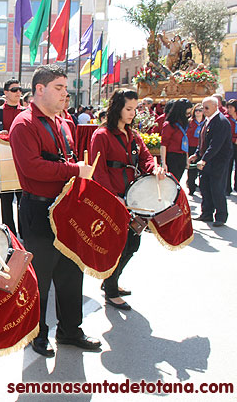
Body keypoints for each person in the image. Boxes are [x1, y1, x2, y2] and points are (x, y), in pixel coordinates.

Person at [9, 65, 100, 357]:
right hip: (38, 209)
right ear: (39, 89)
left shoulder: (64, 122)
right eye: (59, 88)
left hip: (67, 209)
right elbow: (32, 168)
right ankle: (37, 335)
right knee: (40, 277)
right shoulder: (24, 124)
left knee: (72, 271)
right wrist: (75, 170)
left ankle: (70, 330)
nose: (65, 94)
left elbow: (68, 158)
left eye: (65, 88)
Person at [90, 89, 164, 310]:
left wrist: (155, 168)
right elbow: (99, 171)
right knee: (119, 245)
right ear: (117, 108)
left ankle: (111, 281)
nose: (133, 113)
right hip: (115, 200)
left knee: (133, 243)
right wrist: (113, 197)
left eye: (134, 109)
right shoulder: (102, 135)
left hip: (134, 198)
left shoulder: (133, 135)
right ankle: (111, 289)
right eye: (128, 109)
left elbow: (146, 158)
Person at [0, 79, 24, 235]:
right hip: (5, 163)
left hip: (23, 163)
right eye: (14, 90)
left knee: (23, 201)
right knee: (6, 201)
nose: (18, 93)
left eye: (19, 89)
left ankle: (24, 232)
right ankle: (10, 234)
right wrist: (0, 136)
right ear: (6, 93)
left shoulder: (27, 112)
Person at [188, 97, 232, 227]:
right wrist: (196, 155)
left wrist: (204, 159)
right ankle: (207, 213)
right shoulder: (207, 121)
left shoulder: (221, 122)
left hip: (218, 161)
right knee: (205, 187)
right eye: (202, 108)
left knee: (217, 188)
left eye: (206, 108)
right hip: (207, 160)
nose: (204, 110)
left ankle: (221, 216)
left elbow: (215, 145)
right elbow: (203, 142)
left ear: (215, 106)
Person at [160, 99, 192, 183]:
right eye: (187, 113)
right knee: (171, 183)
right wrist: (163, 162)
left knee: (177, 182)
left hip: (182, 156)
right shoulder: (169, 125)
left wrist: (186, 158)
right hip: (172, 157)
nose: (188, 116)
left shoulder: (185, 124)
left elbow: (185, 142)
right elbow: (164, 144)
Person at [225, 99, 237, 196]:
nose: (229, 109)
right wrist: (233, 140)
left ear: (236, 108)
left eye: (231, 107)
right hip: (230, 143)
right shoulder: (226, 119)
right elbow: (224, 134)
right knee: (228, 166)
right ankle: (227, 188)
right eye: (227, 107)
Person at [186, 103, 205, 196]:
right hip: (191, 147)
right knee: (192, 169)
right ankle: (191, 187)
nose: (198, 112)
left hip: (202, 147)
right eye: (196, 110)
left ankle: (203, 188)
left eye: (200, 110)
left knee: (202, 169)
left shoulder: (206, 122)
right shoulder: (189, 122)